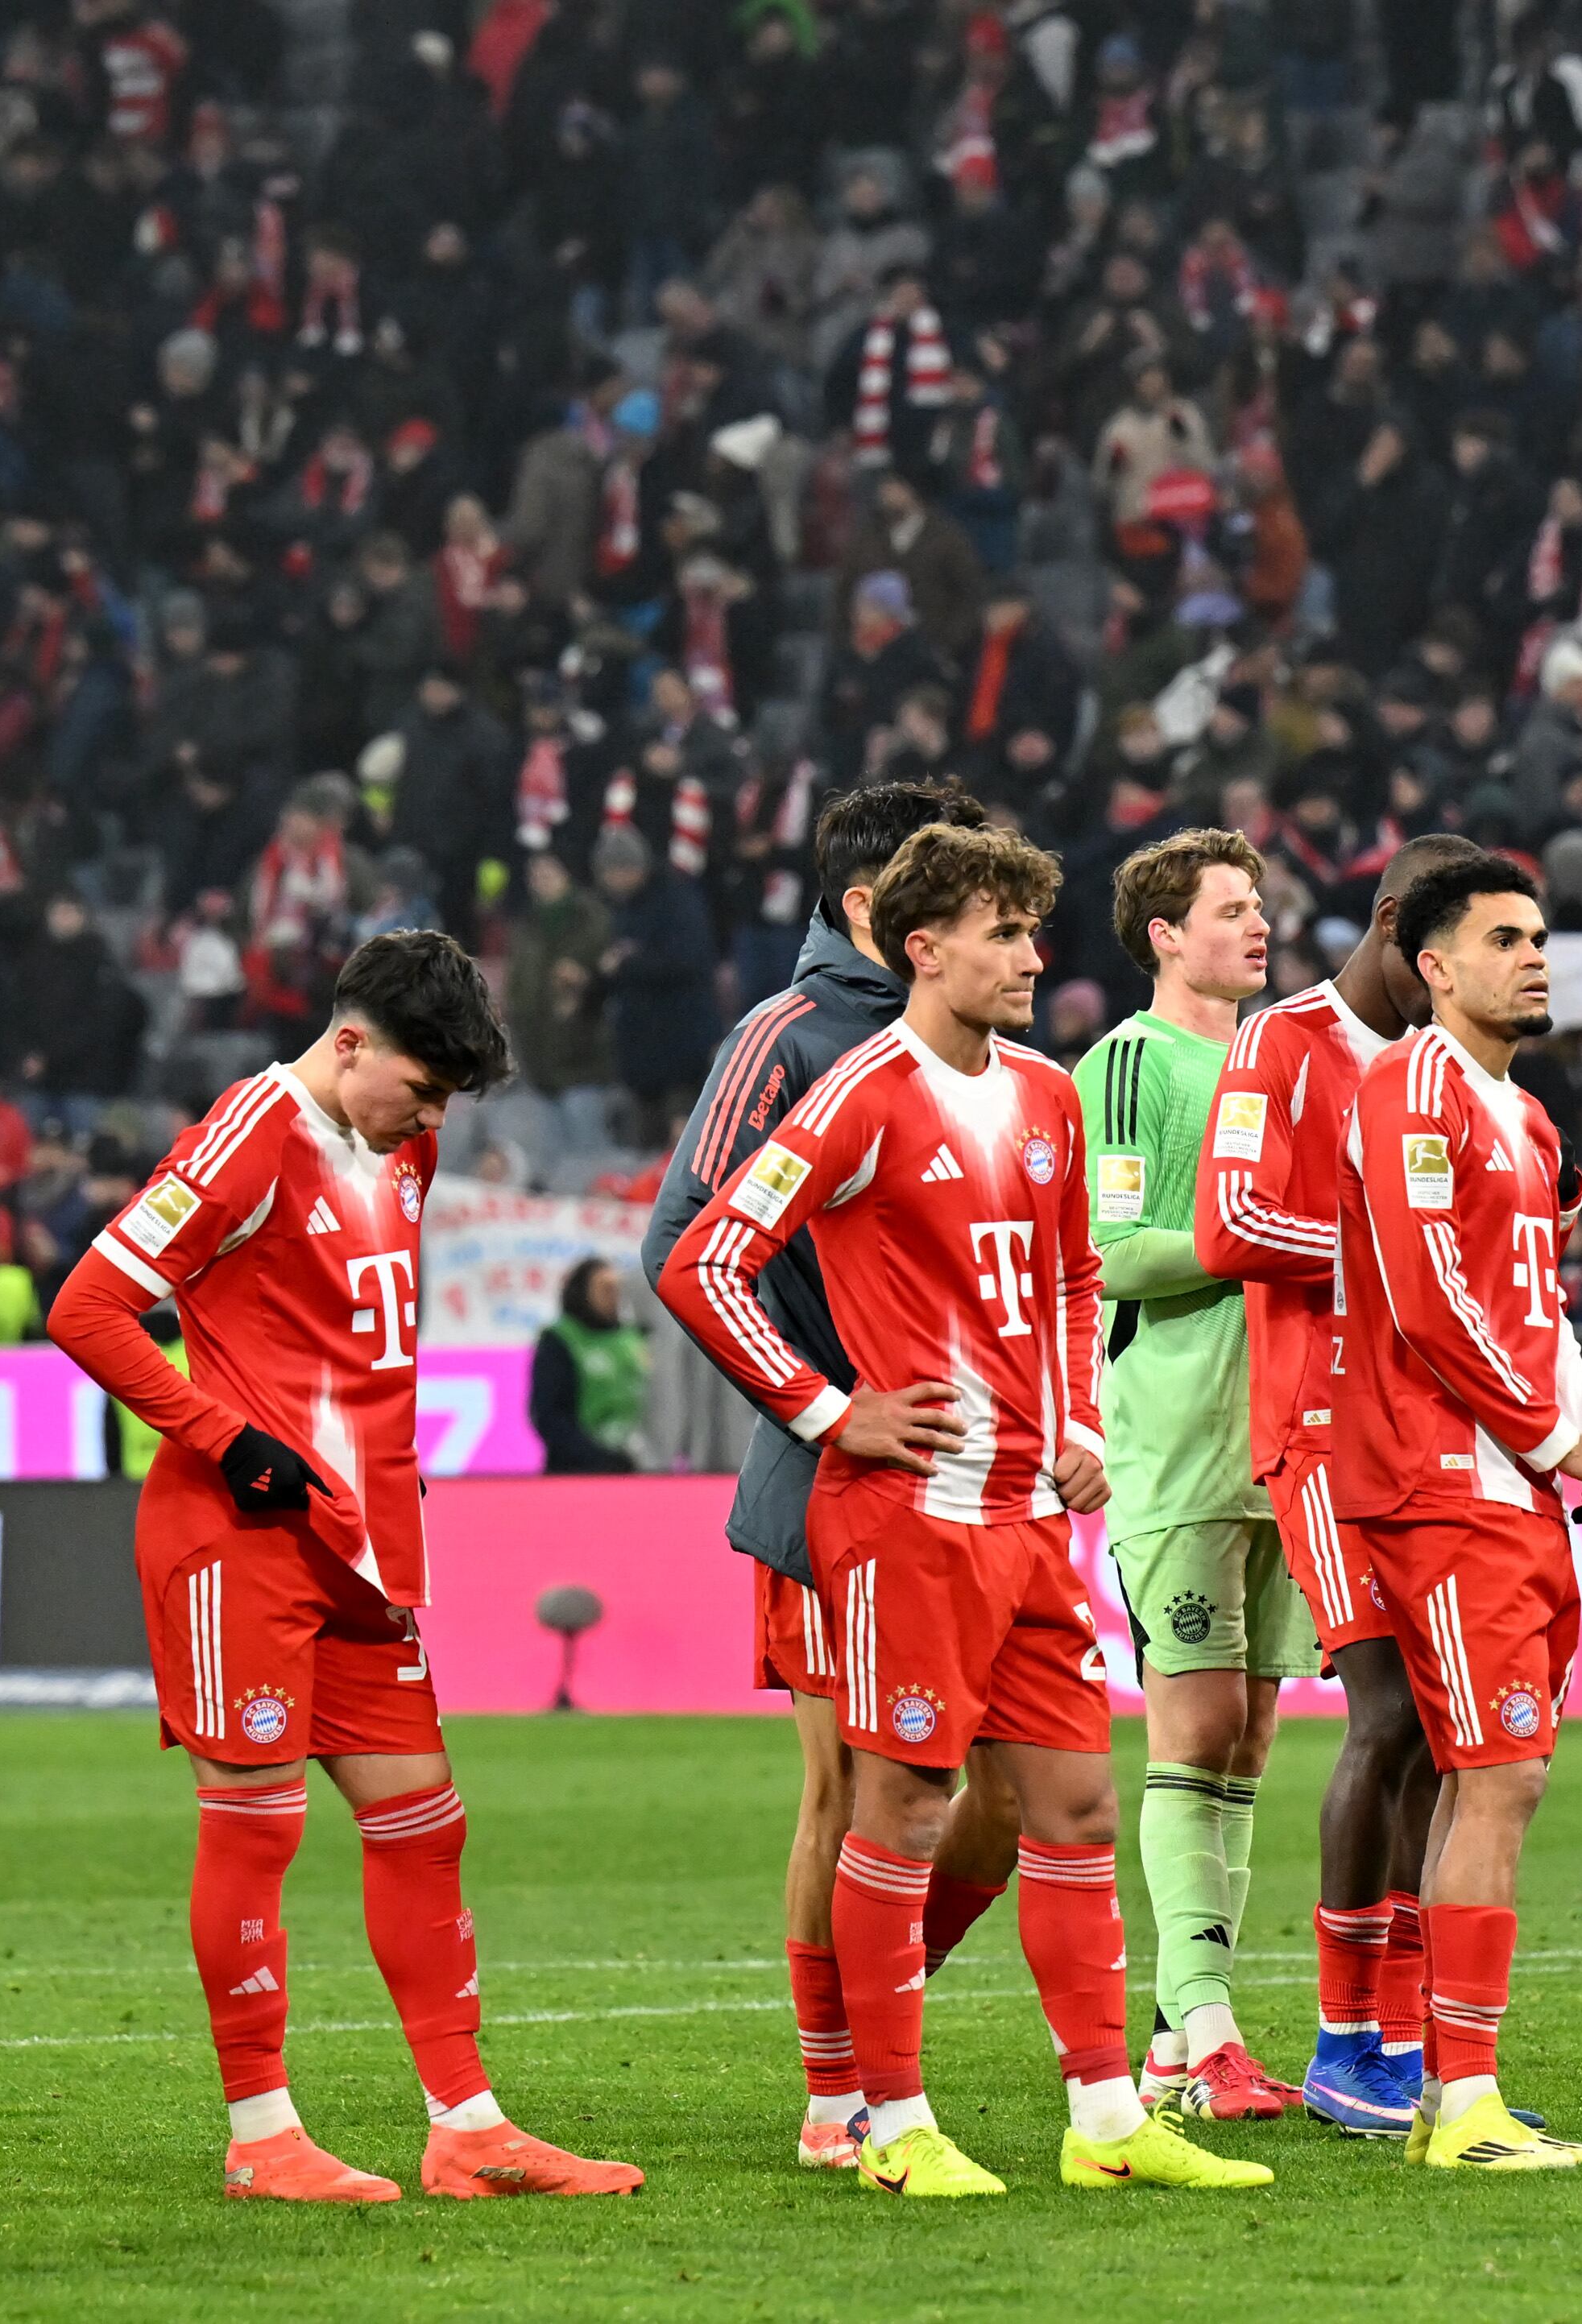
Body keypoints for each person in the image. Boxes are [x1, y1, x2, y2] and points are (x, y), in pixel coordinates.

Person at [659, 823, 1265, 2198]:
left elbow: (1065, 1279)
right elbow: (705, 1261)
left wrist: (1076, 1420)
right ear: (924, 947)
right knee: (905, 1805)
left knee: (1074, 1802)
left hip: (1022, 1519)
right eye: (1004, 934)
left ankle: (1106, 2122)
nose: (1031, 959)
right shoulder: (861, 1093)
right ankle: (890, 2123)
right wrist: (827, 1410)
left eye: (1033, 933)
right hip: (899, 1517)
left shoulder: (1049, 1096)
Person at [44, 933, 641, 2202]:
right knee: (258, 1830)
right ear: (351, 1039)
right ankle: (263, 2135)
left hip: (364, 1540)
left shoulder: (404, 1141)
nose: (430, 1121)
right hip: (238, 1537)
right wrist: (223, 1433)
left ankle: (468, 2127)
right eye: (420, 1089)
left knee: (425, 1821)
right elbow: (87, 1307)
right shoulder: (248, 1133)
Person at [638, 781, 1028, 2171]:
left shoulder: (981, 1058)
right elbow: (681, 1240)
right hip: (835, 1482)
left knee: (1016, 1794)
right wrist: (824, 1406)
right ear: (880, 913)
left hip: (986, 1489)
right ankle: (836, 2090)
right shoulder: (789, 1038)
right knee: (854, 1792)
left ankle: (880, 2019)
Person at [1334, 854, 1582, 2169]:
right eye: (1506, 938)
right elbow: (1423, 1298)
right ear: (1436, 966)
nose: (1536, 957)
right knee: (1493, 1774)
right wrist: (1549, 1437)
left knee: (1499, 1777)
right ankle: (1457, 2094)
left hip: (1512, 1486)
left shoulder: (1520, 1120)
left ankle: (1454, 2085)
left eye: (1542, 937)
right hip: (1440, 1482)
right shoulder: (1411, 1086)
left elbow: (1533, 1308)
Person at [1191, 832, 1485, 2136]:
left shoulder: (1452, 1067)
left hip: (1437, 1433)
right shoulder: (1281, 1045)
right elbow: (1230, 1226)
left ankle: (1404, 2028)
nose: (1462, 976)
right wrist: (1398, 1251)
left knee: (1440, 1724)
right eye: (1448, 952)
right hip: (1318, 1426)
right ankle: (1346, 2034)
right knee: (1385, 1716)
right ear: (1389, 931)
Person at [1073, 829, 1308, 2125]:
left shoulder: (1276, 1062)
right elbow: (1110, 1246)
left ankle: (1181, 2039)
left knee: (1253, 1737)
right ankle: (1204, 2031)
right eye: (1230, 908)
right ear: (1164, 935)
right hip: (1176, 1431)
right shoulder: (1127, 1061)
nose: (1256, 924)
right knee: (1195, 1726)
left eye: (1260, 905)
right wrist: (1257, 1242)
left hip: (1279, 1432)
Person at [528, 1257, 648, 1474]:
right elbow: (549, 1415)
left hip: (632, 1464)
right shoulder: (560, 1341)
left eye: (617, 1289)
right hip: (576, 1469)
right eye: (605, 1289)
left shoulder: (633, 1338)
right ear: (582, 1293)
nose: (614, 1297)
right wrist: (597, 1458)